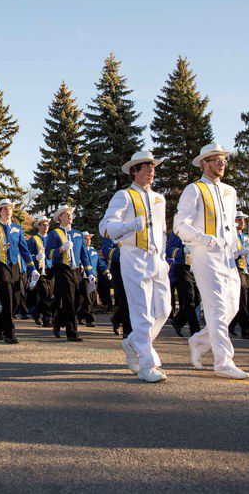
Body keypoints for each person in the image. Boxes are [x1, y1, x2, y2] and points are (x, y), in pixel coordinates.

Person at [173, 143, 249, 380]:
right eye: (216, 160)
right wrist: (204, 239)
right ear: (204, 163)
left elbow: (229, 225)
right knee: (217, 308)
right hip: (205, 254)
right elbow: (180, 225)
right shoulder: (194, 189)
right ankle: (223, 362)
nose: (221, 163)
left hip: (227, 256)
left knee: (232, 307)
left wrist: (236, 246)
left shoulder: (230, 191)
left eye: (223, 160)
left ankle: (199, 340)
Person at [99, 150, 172, 383]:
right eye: (145, 167)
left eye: (153, 167)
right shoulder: (124, 196)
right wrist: (130, 225)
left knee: (163, 310)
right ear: (134, 171)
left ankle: (132, 343)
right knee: (142, 314)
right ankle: (147, 365)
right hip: (134, 257)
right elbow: (106, 227)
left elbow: (162, 231)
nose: (151, 171)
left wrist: (164, 257)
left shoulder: (160, 198)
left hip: (156, 260)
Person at [0, 199, 38, 345]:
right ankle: (9, 333)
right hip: (1, 265)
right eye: (4, 209)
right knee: (7, 298)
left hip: (15, 266)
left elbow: (24, 250)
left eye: (10, 209)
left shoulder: (17, 228)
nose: (8, 211)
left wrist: (32, 269)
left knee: (17, 300)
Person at [46, 205, 94, 342]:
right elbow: (48, 254)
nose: (69, 216)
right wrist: (61, 249)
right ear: (60, 218)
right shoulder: (54, 233)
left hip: (77, 270)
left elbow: (85, 255)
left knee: (79, 299)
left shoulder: (78, 234)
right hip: (62, 269)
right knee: (68, 300)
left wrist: (89, 272)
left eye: (70, 214)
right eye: (66, 214)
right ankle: (72, 332)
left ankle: (58, 320)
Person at [229, 212, 249, 340]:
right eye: (239, 220)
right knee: (242, 301)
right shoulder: (230, 235)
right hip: (236, 269)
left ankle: (231, 324)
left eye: (243, 221)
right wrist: (238, 253)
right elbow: (228, 254)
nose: (242, 223)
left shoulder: (245, 237)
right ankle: (246, 331)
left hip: (246, 270)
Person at [166, 233, 198, 337]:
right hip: (183, 267)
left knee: (198, 298)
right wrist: (182, 252)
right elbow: (169, 250)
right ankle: (195, 331)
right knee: (189, 300)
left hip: (197, 268)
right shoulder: (178, 232)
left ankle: (178, 320)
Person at [26, 216, 54, 327]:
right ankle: (47, 318)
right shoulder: (33, 239)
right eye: (43, 224)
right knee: (44, 293)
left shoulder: (51, 238)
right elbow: (27, 255)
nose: (46, 227)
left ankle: (36, 313)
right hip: (38, 270)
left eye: (47, 225)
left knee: (49, 294)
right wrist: (35, 257)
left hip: (49, 269)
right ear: (39, 226)